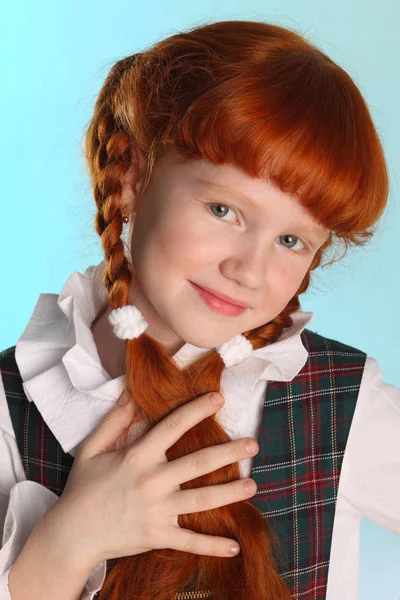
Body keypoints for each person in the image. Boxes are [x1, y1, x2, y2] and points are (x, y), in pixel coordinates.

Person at [0, 18, 398, 600]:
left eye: (291, 241)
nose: (248, 270)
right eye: (223, 210)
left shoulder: (341, 404)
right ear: (133, 174)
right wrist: (66, 545)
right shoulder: (13, 409)